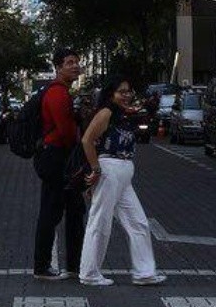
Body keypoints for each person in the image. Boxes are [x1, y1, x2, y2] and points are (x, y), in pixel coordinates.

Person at [77, 76, 166, 287]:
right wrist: (95, 170)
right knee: (100, 221)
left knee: (138, 222)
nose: (126, 95)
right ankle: (89, 273)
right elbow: (87, 140)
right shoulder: (106, 112)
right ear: (111, 94)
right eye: (121, 91)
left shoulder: (122, 114)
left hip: (123, 171)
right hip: (110, 168)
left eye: (128, 91)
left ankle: (144, 272)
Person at [32, 48, 86, 281]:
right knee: (52, 212)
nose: (75, 66)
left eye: (77, 62)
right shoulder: (58, 93)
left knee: (73, 210)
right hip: (57, 158)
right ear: (58, 67)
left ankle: (74, 265)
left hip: (58, 157)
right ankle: (42, 266)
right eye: (69, 62)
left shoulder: (62, 91)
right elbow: (65, 132)